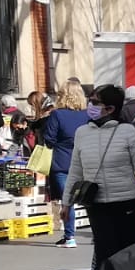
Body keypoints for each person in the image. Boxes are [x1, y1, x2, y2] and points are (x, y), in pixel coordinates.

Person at [63, 83, 135, 267]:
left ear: (110, 108)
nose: (90, 105)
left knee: (129, 251)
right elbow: (75, 170)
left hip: (125, 201)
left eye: (95, 102)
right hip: (95, 203)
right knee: (104, 251)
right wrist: (66, 203)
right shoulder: (82, 133)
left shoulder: (127, 131)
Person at [37, 80, 92, 246]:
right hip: (83, 163)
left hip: (61, 162)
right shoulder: (88, 115)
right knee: (89, 199)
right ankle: (97, 233)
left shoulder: (57, 115)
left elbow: (48, 139)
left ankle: (70, 237)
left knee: (67, 201)